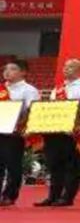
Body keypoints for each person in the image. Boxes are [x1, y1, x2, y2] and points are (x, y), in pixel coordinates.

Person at [37, 58, 80, 207]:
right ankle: (53, 196)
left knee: (71, 166)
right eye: (65, 66)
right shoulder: (58, 89)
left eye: (71, 66)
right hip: (55, 130)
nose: (66, 69)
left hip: (71, 132)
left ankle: (67, 196)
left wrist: (76, 125)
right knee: (54, 164)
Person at [0, 59, 40, 207]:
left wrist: (22, 127)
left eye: (12, 69)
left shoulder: (29, 90)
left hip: (14, 133)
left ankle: (9, 195)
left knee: (12, 165)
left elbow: (32, 111)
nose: (7, 72)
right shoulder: (1, 88)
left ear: (23, 72)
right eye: (6, 69)